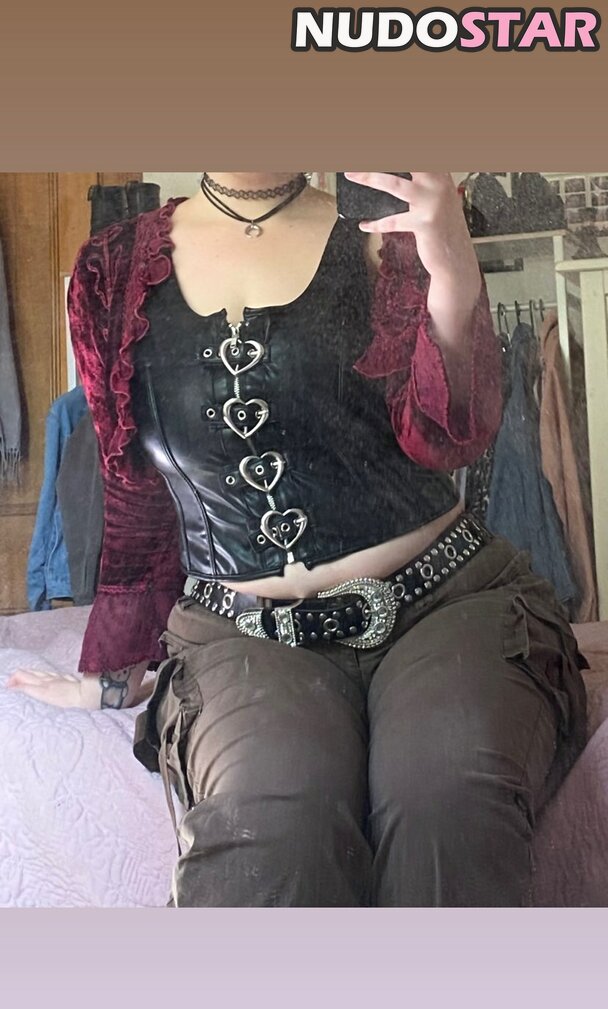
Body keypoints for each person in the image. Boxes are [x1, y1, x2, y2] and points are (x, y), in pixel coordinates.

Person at [9, 172, 588, 907]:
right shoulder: (111, 269)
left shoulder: (385, 227)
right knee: (273, 821)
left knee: (446, 796)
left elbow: (453, 435)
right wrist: (116, 670)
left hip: (448, 604)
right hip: (242, 633)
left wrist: (451, 273)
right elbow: (133, 487)